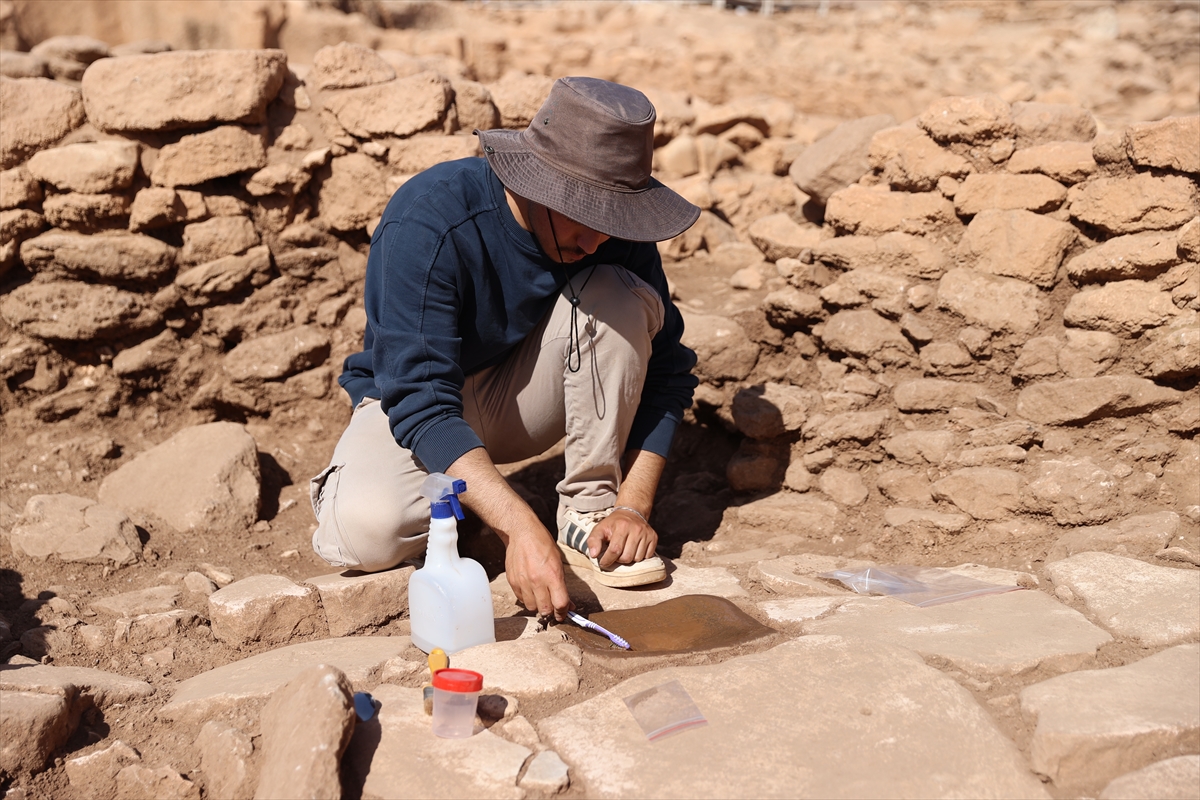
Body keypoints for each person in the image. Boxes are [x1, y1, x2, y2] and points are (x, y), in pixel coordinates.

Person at [309, 76, 700, 621]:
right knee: (366, 535)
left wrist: (633, 507)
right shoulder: (430, 218)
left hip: (519, 400)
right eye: (586, 216)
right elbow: (421, 399)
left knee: (617, 294)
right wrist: (517, 526)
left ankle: (585, 514)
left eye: (612, 220)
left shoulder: (612, 237)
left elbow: (667, 375)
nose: (597, 240)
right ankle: (464, 498)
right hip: (414, 406)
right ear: (537, 181)